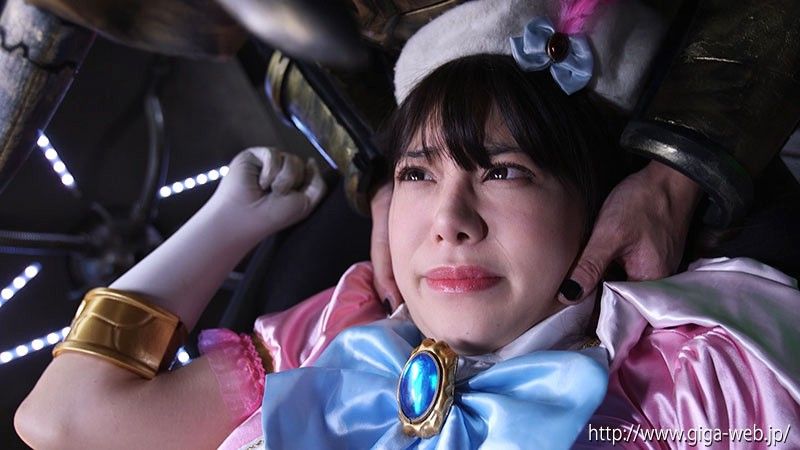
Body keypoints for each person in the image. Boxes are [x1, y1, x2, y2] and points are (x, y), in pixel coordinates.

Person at [15, 0, 800, 448]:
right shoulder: (328, 339)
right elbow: (63, 425)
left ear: (596, 203)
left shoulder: (703, 369)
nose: (449, 221)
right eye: (419, 174)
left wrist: (679, 171)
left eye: (504, 171)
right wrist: (225, 224)